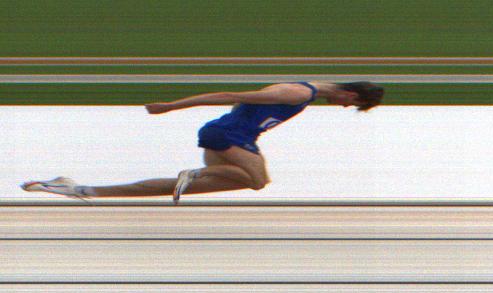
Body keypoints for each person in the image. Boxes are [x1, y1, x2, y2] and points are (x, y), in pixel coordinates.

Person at [21, 81, 384, 203]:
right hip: (228, 136)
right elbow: (228, 95)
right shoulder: (297, 92)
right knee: (259, 181)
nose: (346, 107)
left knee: (212, 184)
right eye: (352, 104)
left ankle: (78, 189)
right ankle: (194, 172)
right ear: (352, 94)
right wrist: (170, 106)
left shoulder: (307, 94)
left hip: (232, 137)